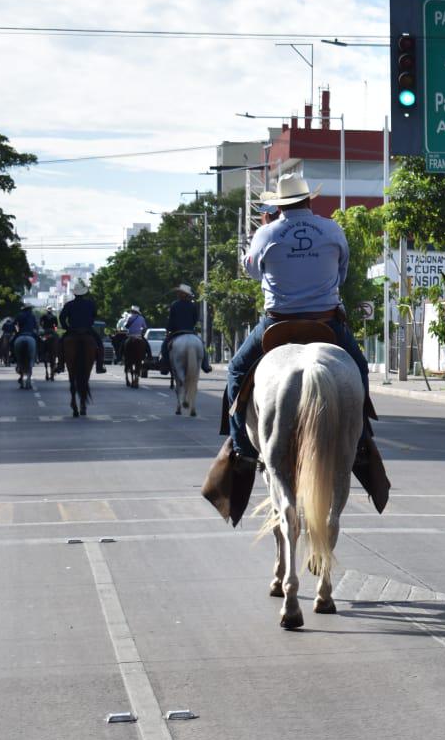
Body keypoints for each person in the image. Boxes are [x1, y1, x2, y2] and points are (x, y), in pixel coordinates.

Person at [204, 173, 386, 500]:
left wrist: (267, 234)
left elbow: (252, 270)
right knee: (358, 368)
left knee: (235, 370)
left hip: (277, 324)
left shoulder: (267, 232)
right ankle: (359, 441)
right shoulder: (333, 229)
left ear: (278, 204)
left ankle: (243, 449)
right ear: (309, 200)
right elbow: (341, 272)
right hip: (326, 323)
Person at [58, 278, 106, 372]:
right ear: (84, 293)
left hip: (72, 330)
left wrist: (66, 327)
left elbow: (62, 317)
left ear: (74, 293)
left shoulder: (69, 304)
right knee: (100, 344)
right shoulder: (90, 304)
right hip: (87, 330)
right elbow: (94, 315)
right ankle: (99, 366)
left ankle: (60, 365)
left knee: (60, 344)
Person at [159, 284, 210, 373]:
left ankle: (165, 365)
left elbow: (171, 320)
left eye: (179, 292)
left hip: (177, 332)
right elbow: (195, 320)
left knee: (164, 346)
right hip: (190, 331)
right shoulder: (192, 305)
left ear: (183, 294)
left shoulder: (174, 304)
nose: (178, 293)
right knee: (201, 345)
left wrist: (168, 330)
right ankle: (205, 365)